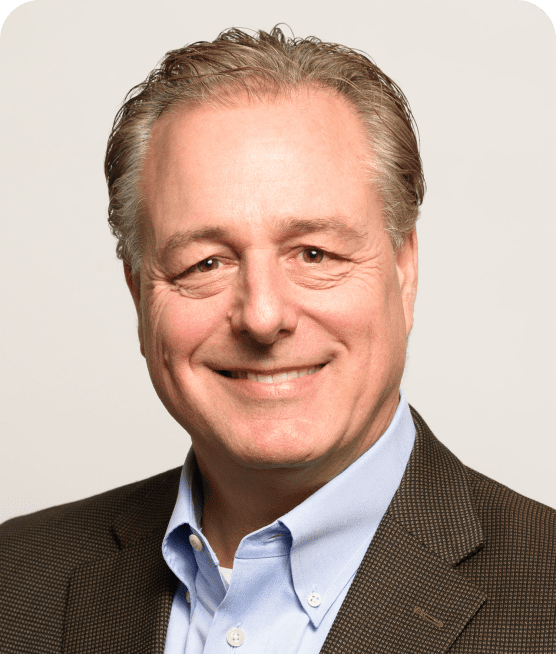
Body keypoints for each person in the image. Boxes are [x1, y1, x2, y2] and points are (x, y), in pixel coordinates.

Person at [1, 25, 554, 654]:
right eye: (206, 263)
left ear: (404, 272)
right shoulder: (14, 578)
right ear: (139, 295)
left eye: (314, 253)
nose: (262, 317)